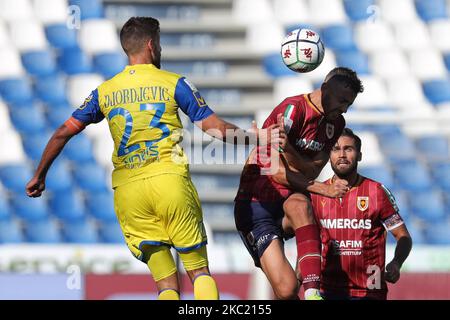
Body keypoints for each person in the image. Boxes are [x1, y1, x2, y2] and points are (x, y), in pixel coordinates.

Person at [25, 17, 274, 300]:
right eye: (159, 43)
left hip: (129, 192)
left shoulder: (104, 91)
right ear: (151, 45)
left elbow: (61, 133)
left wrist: (39, 175)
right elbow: (214, 128)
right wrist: (256, 138)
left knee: (166, 284)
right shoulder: (174, 83)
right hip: (169, 182)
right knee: (198, 271)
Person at [234, 67, 364, 300]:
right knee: (287, 291)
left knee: (300, 205)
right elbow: (275, 172)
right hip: (256, 205)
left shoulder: (336, 124)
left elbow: (313, 169)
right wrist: (322, 188)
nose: (344, 109)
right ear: (326, 89)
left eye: (349, 104)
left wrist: (291, 150)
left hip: (287, 201)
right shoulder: (292, 110)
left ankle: (313, 293)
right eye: (342, 101)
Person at [307, 128, 413, 300]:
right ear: (329, 156)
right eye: (335, 149)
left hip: (369, 291)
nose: (342, 154)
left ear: (359, 155)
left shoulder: (376, 192)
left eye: (348, 149)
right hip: (328, 290)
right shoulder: (317, 194)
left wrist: (396, 263)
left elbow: (403, 237)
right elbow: (309, 239)